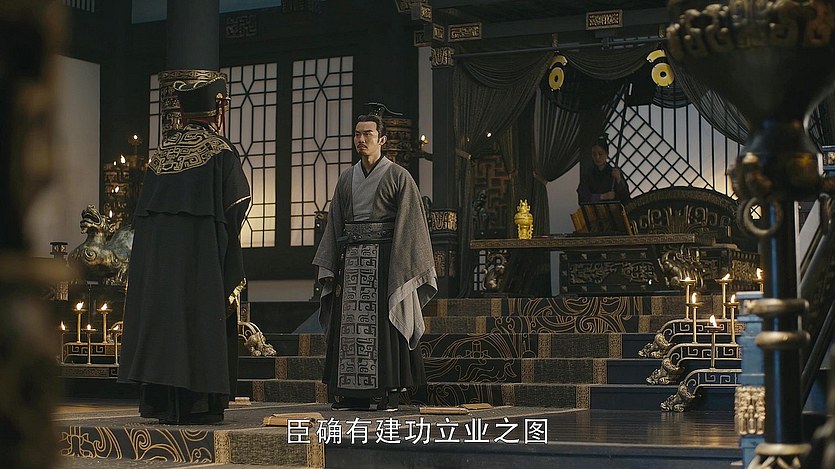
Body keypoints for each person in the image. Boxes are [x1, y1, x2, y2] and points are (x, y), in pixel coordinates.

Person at [118, 76, 251, 424]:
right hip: (200, 261)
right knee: (198, 322)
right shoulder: (220, 152)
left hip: (158, 266)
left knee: (166, 324)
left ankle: (162, 404)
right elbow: (237, 204)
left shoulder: (160, 158)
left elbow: (142, 219)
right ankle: (200, 405)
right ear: (218, 109)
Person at [313, 113, 437, 412]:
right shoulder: (347, 178)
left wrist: (400, 266)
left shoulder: (399, 176)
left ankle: (387, 390)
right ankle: (348, 393)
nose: (361, 139)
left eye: (367, 134)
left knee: (384, 324)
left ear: (382, 139)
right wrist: (330, 264)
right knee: (348, 327)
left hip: (384, 263)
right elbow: (335, 223)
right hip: (351, 263)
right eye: (357, 134)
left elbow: (411, 225)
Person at [577, 134, 631, 204]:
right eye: (594, 154)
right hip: (593, 209)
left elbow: (626, 198)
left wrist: (619, 180)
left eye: (600, 154)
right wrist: (603, 196)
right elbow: (582, 198)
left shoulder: (614, 172)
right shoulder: (588, 174)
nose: (597, 157)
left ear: (607, 154)